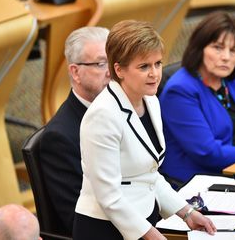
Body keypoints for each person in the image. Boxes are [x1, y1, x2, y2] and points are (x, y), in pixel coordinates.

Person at [73, 20, 216, 240]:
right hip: (105, 229)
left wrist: (186, 212)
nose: (155, 74)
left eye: (157, 63)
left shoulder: (151, 101)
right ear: (119, 69)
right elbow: (109, 196)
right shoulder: (102, 116)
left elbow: (148, 174)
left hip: (143, 219)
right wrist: (150, 235)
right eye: (144, 67)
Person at [159, 11, 235, 184]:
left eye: (234, 51)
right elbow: (206, 152)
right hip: (202, 175)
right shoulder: (179, 90)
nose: (226, 57)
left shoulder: (232, 79)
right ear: (199, 48)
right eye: (218, 48)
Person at [39, 26, 110, 236]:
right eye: (100, 64)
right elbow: (79, 220)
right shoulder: (60, 137)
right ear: (75, 72)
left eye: (114, 61)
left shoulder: (124, 109)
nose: (111, 72)